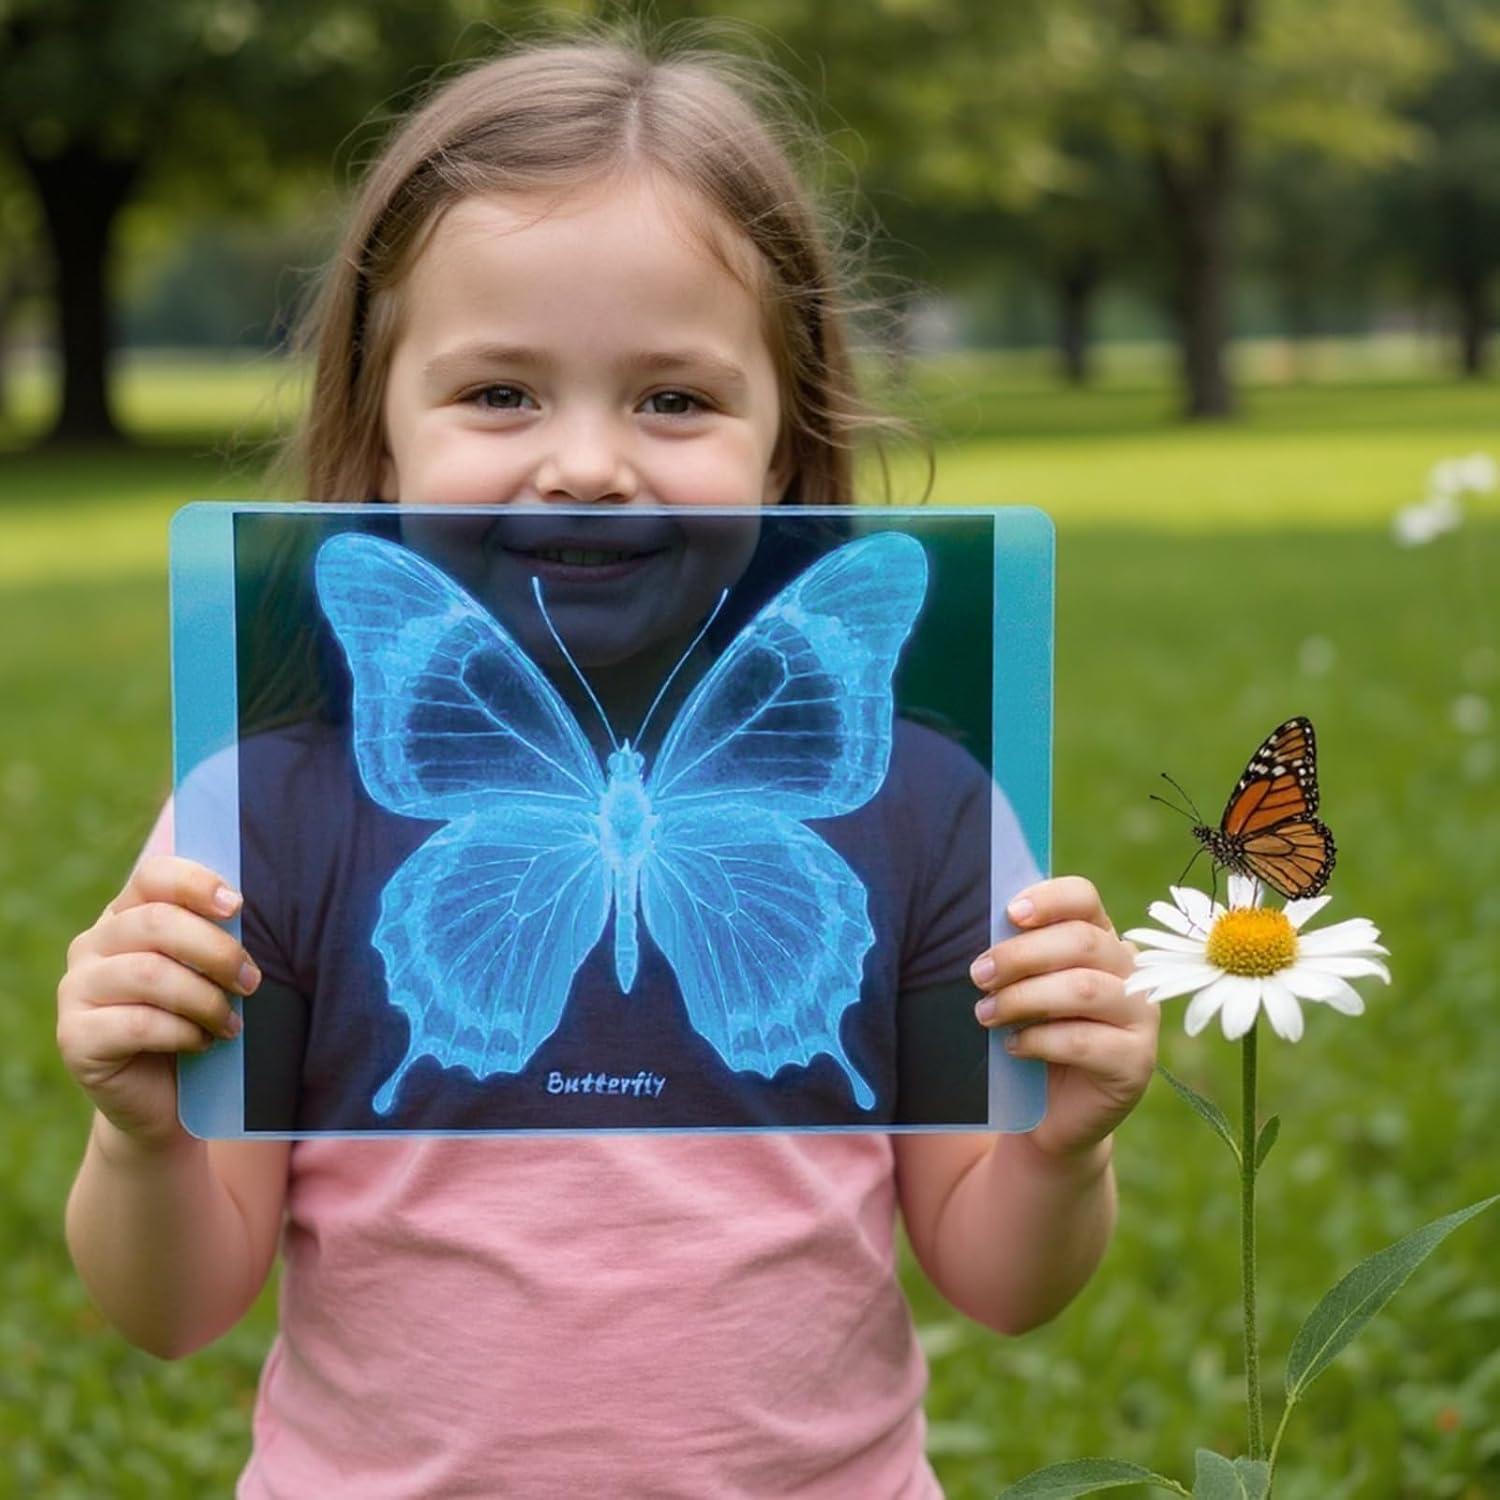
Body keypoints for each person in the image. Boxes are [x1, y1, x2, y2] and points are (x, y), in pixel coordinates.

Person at [57, 27, 1158, 1498]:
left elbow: (1002, 1279)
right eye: (500, 395)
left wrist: (1064, 1148)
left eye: (675, 399)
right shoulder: (262, 814)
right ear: (377, 441)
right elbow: (174, 1305)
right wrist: (138, 1140)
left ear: (785, 448)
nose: (586, 462)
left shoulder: (928, 803)